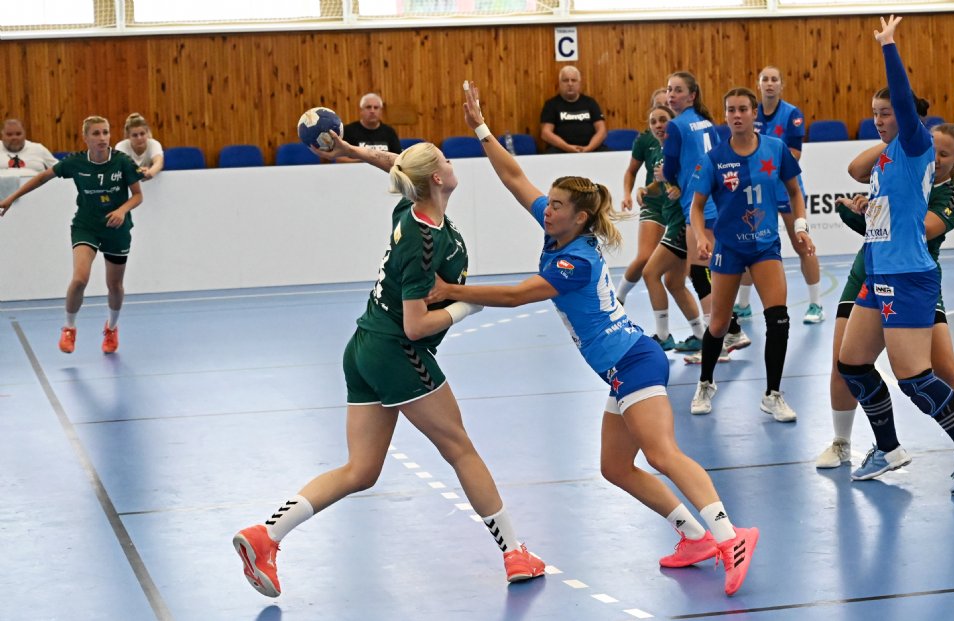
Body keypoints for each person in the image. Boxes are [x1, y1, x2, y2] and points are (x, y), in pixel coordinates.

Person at [431, 81, 759, 597]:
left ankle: (729, 535)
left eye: (557, 205)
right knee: (615, 467)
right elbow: (514, 176)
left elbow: (517, 295)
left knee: (662, 455)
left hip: (634, 361)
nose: (548, 209)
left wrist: (451, 290)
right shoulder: (558, 228)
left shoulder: (576, 260)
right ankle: (694, 537)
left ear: (579, 217)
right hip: (619, 366)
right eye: (550, 203)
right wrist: (481, 128)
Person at [232, 136, 544, 599]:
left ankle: (265, 535)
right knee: (460, 449)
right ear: (436, 178)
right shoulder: (424, 241)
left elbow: (399, 165)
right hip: (400, 353)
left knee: (361, 470)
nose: (452, 162)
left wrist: (352, 150)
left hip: (363, 348)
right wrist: (465, 305)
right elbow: (416, 326)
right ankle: (515, 552)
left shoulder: (411, 207)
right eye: (445, 160)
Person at [835, 16, 954, 495]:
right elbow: (872, 193)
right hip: (879, 270)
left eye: (886, 113)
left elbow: (905, 104)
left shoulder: (915, 144)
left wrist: (889, 47)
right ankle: (888, 449)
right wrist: (861, 211)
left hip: (908, 275)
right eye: (875, 113)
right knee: (853, 364)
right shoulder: (887, 156)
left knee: (914, 377)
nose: (879, 119)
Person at [815, 122, 954, 468]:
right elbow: (860, 181)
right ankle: (843, 443)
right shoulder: (903, 171)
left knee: (942, 368)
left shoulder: (951, 194)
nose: (937, 159)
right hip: (867, 273)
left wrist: (871, 210)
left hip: (913, 280)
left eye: (945, 154)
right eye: (933, 150)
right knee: (845, 364)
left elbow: (917, 231)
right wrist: (861, 211)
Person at [686, 87, 814, 422]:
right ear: (725, 115)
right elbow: (696, 207)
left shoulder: (776, 148)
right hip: (728, 249)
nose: (737, 115)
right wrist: (700, 237)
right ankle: (705, 383)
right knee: (718, 324)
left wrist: (800, 226)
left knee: (779, 318)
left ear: (754, 113)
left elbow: (795, 191)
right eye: (731, 110)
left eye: (743, 109)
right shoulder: (714, 158)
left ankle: (773, 394)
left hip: (765, 246)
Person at [0, 116, 142, 354]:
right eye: (96, 133)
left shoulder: (122, 162)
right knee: (80, 279)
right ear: (85, 138)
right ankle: (69, 328)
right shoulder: (76, 162)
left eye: (105, 132)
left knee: (114, 285)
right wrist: (11, 197)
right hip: (86, 226)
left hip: (116, 228)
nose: (102, 138)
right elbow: (42, 177)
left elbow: (138, 195)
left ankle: (111, 328)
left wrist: (121, 210)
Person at [660, 71, 749, 356]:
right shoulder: (706, 123)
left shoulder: (676, 126)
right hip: (714, 200)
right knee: (706, 271)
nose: (671, 95)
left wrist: (667, 178)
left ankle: (721, 340)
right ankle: (731, 330)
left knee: (702, 274)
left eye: (678, 90)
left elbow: (670, 168)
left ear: (692, 95)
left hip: (699, 205)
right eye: (669, 90)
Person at [617, 103, 704, 353]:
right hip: (673, 219)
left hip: (682, 222)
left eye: (663, 120)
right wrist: (646, 190)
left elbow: (697, 176)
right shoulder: (662, 151)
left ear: (673, 122)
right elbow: (662, 184)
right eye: (653, 121)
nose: (658, 125)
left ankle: (663, 335)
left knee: (650, 272)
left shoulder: (681, 148)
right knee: (674, 282)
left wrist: (681, 189)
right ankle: (700, 335)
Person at [753, 65, 825, 325]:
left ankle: (816, 304)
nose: (770, 83)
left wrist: (761, 166)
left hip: (785, 189)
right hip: (759, 193)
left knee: (802, 245)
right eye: (765, 79)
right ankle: (743, 305)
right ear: (759, 84)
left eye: (774, 79)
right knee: (750, 245)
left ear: (781, 85)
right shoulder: (751, 113)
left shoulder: (792, 114)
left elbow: (794, 154)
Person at [540, 66, 608, 153]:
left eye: (573, 80)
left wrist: (589, 148)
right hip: (561, 149)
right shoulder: (551, 104)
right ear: (560, 83)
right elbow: (545, 133)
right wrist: (568, 148)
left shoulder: (590, 102)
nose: (570, 84)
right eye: (565, 80)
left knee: (611, 155)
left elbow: (602, 131)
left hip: (590, 148)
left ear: (579, 83)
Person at [336, 93, 403, 162]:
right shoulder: (348, 131)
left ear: (381, 111)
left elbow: (398, 158)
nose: (372, 111)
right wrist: (361, 161)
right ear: (361, 111)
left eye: (376, 108)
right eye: (368, 107)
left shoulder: (389, 132)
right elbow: (339, 158)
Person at [114, 113, 165, 181]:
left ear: (147, 133)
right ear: (128, 136)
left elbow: (159, 163)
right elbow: (122, 167)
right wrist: (139, 171)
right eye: (135, 135)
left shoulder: (154, 144)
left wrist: (150, 172)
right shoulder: (121, 146)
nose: (139, 138)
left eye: (142, 134)